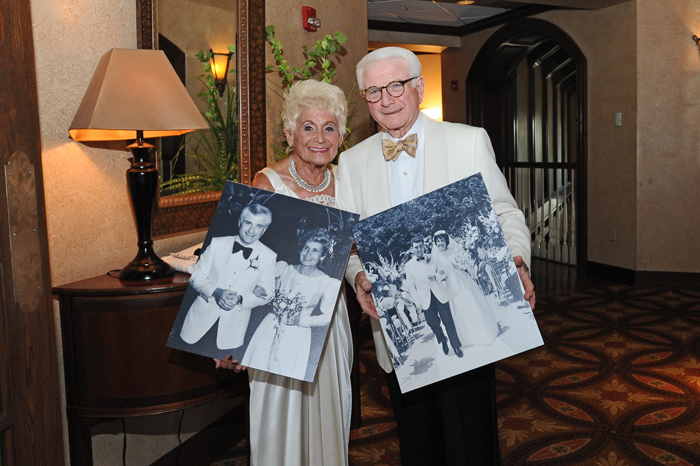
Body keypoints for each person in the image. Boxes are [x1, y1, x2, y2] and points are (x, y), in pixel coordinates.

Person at [336, 47, 536, 466]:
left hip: (468, 316)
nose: (386, 99)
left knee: (473, 443)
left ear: (419, 87)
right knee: (417, 445)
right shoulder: (351, 163)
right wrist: (358, 278)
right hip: (398, 332)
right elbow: (350, 244)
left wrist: (515, 259)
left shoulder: (468, 140)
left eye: (395, 85)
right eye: (373, 91)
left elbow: (507, 213)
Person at [217, 79, 352, 466]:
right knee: (280, 415)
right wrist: (231, 334)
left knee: (330, 407)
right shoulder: (268, 183)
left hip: (330, 315)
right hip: (275, 319)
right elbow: (247, 263)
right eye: (309, 127)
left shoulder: (347, 182)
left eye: (330, 128)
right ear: (290, 134)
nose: (320, 138)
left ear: (341, 135)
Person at [241, 228, 341, 380]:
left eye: (315, 250)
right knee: (258, 371)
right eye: (306, 248)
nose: (308, 254)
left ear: (323, 256)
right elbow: (267, 295)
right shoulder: (284, 269)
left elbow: (327, 316)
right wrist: (257, 289)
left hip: (297, 334)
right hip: (270, 327)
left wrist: (300, 320)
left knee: (284, 378)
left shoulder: (326, 282)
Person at [180, 203, 276, 349]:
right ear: (239, 222)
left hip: (233, 332)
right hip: (197, 324)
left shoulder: (269, 256)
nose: (251, 230)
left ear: (264, 230)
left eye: (259, 226)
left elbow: (268, 294)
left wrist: (241, 299)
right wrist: (216, 292)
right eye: (248, 223)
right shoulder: (216, 243)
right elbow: (196, 277)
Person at [432, 230, 500, 347]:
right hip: (452, 286)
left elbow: (464, 263)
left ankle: (484, 331)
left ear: (446, 241)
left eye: (442, 240)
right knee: (461, 308)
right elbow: (440, 273)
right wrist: (437, 276)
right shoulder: (436, 257)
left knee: (472, 304)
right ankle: (469, 337)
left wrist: (463, 265)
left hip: (463, 281)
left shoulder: (454, 251)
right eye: (438, 241)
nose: (440, 243)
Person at [403, 235, 463, 358]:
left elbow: (443, 271)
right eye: (416, 247)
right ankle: (442, 338)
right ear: (412, 249)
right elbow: (410, 286)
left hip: (440, 293)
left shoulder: (433, 257)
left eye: (421, 246)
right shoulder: (408, 266)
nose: (419, 249)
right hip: (425, 299)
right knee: (433, 323)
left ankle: (456, 346)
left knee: (448, 321)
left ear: (424, 246)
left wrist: (436, 277)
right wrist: (417, 303)